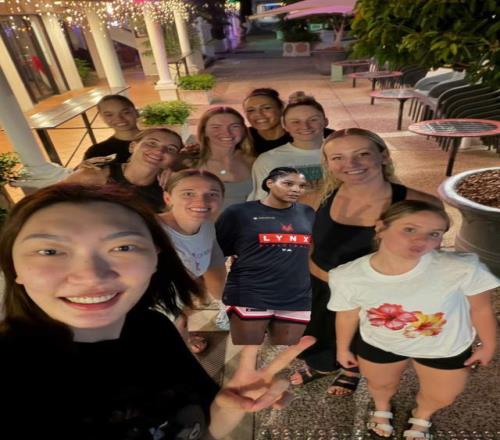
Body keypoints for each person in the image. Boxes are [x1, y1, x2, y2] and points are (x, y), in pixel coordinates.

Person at [0, 183, 316, 440]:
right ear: (13, 267)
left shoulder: (152, 327)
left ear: (156, 257)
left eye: (123, 247)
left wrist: (226, 410)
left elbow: (201, 431)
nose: (91, 276)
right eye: (50, 251)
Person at [328, 200, 498, 439]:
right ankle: (381, 407)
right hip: (380, 342)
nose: (421, 240)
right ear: (381, 227)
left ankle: (422, 414)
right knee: (379, 385)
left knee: (443, 396)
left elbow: (481, 309)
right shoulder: (347, 276)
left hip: (445, 346)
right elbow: (347, 313)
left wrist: (489, 344)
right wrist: (343, 347)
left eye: (434, 234)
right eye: (410, 229)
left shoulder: (462, 268)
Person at [290, 128, 441, 397]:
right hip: (320, 288)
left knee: (363, 342)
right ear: (327, 164)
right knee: (318, 335)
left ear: (383, 155)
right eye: (338, 158)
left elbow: (428, 261)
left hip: (375, 296)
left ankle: (351, 371)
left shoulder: (420, 204)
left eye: (362, 154)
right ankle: (322, 366)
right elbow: (305, 244)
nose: (351, 164)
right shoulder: (314, 198)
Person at [216, 167, 315, 345]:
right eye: (288, 184)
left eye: (301, 186)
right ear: (269, 183)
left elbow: (311, 250)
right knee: (248, 352)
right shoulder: (238, 212)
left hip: (297, 296)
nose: (296, 189)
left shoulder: (308, 212)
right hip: (249, 294)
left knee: (281, 352)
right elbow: (217, 253)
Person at [158, 169, 227, 353]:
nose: (201, 202)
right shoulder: (152, 232)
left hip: (179, 297)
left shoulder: (206, 226)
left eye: (212, 194)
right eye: (188, 194)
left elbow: (206, 261)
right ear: (168, 198)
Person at [66, 128, 183, 212]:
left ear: (175, 158)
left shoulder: (169, 188)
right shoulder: (93, 176)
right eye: (152, 143)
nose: (159, 151)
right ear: (132, 146)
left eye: (171, 149)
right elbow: (56, 202)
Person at [247, 94, 329, 207]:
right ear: (284, 125)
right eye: (295, 122)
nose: (305, 126)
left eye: (313, 119)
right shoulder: (269, 160)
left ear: (325, 121)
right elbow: (261, 204)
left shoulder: (343, 153)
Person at [193, 106, 255, 210]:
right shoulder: (190, 163)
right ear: (204, 131)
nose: (227, 132)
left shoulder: (254, 161)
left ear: (243, 130)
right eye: (216, 127)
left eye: (234, 126)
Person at [243, 89, 334, 155]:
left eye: (266, 108)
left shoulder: (310, 133)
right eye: (251, 110)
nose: (258, 114)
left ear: (281, 109)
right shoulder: (242, 137)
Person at [83, 95, 140, 163]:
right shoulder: (96, 152)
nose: (119, 118)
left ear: (136, 112)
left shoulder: (151, 139)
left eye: (125, 112)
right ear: (102, 117)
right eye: (109, 115)